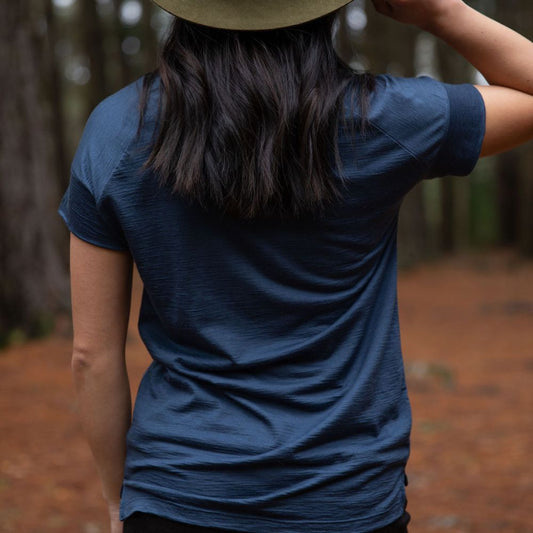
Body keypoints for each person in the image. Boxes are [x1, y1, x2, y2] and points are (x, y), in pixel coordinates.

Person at [59, 0, 533, 531]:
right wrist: (442, 14)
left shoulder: (118, 130)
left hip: (177, 493)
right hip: (344, 499)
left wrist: (113, 497)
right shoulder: (382, 118)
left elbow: (91, 356)